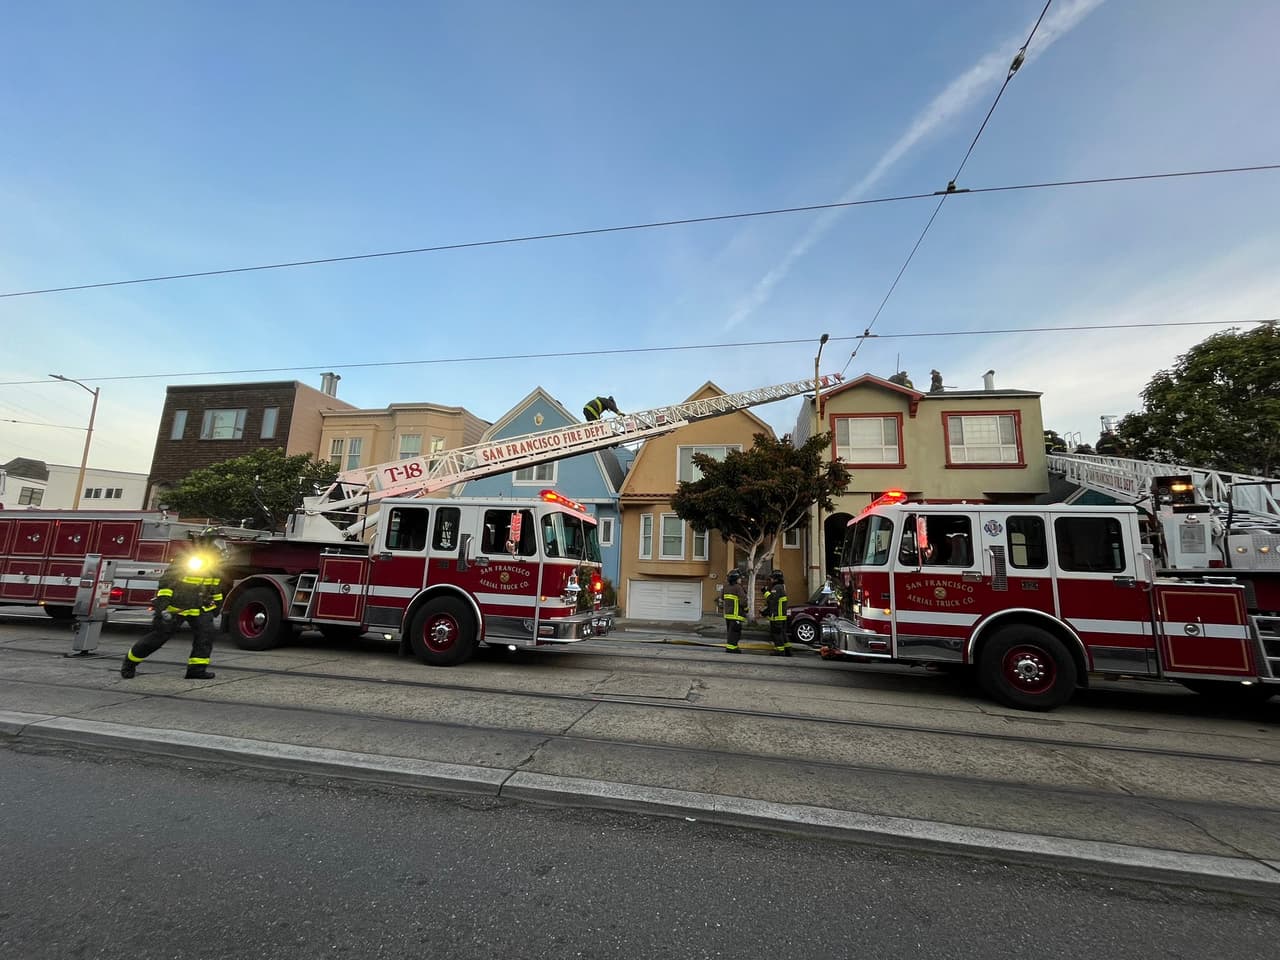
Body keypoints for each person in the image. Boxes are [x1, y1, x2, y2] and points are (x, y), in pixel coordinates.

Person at [121, 538, 225, 680]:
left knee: (206, 636)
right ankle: (130, 662)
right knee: (159, 637)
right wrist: (163, 605)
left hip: (199, 608)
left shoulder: (215, 567)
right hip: (176, 607)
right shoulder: (186, 559)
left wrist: (217, 606)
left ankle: (196, 670)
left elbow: (216, 588)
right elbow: (167, 582)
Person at [761, 569, 791, 656]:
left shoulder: (777, 588)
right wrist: (766, 611)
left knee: (777, 634)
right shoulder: (782, 587)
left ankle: (780, 650)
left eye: (772, 578)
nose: (770, 580)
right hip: (781, 616)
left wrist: (764, 592)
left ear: (776, 579)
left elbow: (771, 600)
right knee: (782, 634)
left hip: (777, 616)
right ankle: (787, 650)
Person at [722, 570, 746, 653]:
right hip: (736, 615)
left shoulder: (725, 587)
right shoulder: (738, 587)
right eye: (739, 578)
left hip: (728, 615)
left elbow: (722, 598)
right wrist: (746, 609)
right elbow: (743, 601)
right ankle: (732, 649)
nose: (740, 580)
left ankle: (731, 647)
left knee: (730, 632)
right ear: (736, 579)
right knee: (735, 633)